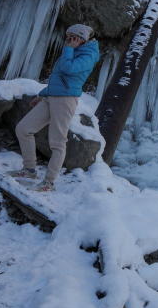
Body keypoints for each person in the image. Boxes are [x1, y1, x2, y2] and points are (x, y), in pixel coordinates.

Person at [11, 24, 100, 191]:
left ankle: (49, 182)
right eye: (67, 37)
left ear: (80, 38)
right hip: (51, 97)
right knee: (23, 129)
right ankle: (29, 170)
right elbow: (58, 77)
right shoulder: (73, 50)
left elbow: (69, 69)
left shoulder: (89, 54)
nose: (67, 40)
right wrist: (43, 94)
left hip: (65, 100)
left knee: (57, 143)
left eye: (71, 37)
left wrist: (69, 49)